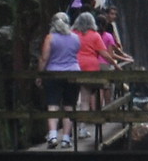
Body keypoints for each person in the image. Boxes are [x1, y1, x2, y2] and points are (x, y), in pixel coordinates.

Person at [38, 12, 81, 148]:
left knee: (53, 105)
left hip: (53, 74)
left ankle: (52, 136)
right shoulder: (75, 37)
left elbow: (44, 58)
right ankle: (66, 139)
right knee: (69, 105)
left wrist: (40, 75)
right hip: (73, 73)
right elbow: (75, 53)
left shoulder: (50, 38)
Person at [71, 12, 113, 146]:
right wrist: (116, 65)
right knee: (84, 100)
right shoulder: (95, 35)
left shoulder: (72, 34)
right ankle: (82, 128)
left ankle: (67, 131)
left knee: (69, 101)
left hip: (73, 66)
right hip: (90, 68)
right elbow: (104, 53)